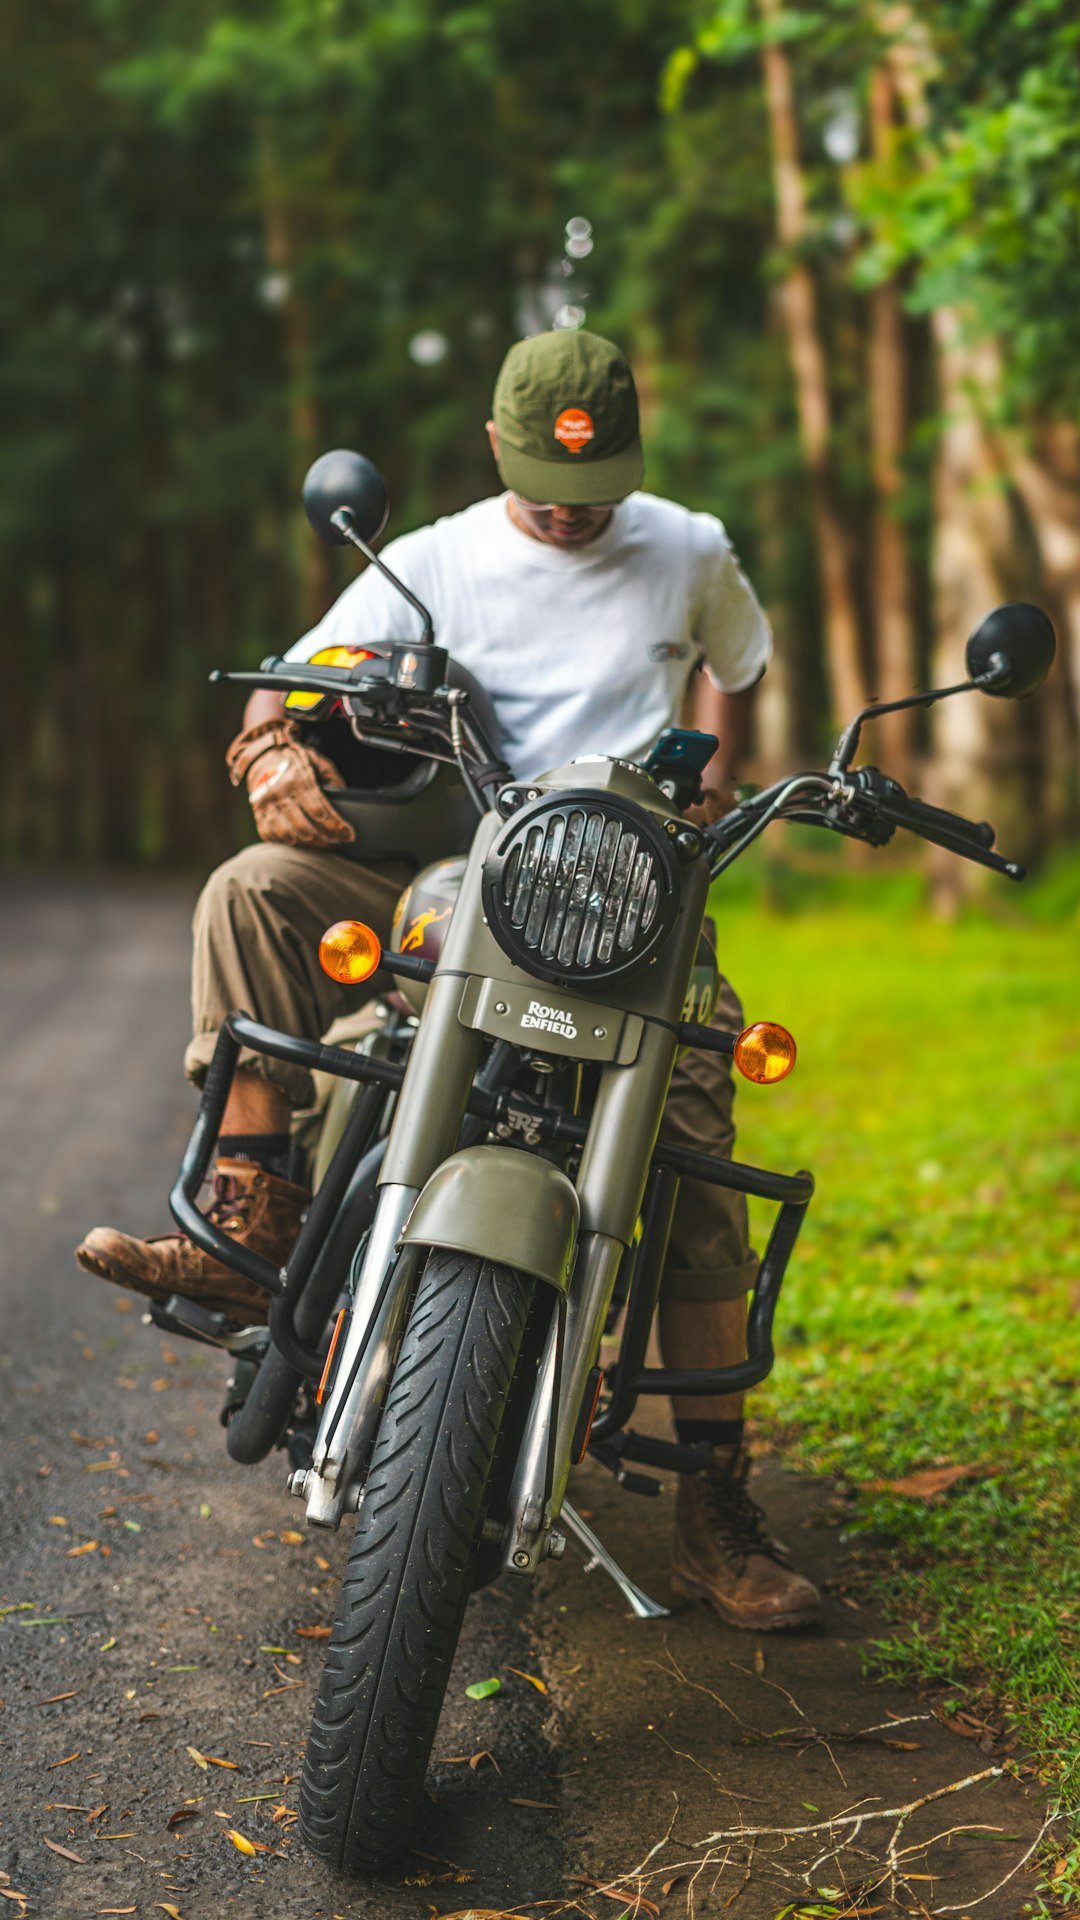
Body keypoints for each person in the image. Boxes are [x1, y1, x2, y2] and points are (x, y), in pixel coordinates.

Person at [77, 328, 821, 1632]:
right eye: (544, 483)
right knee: (250, 888)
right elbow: (280, 692)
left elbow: (742, 668)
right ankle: (253, 1223)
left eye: (594, 488)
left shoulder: (690, 548)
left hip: (633, 903)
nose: (570, 510)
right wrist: (269, 756)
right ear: (494, 446)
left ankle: (714, 1503)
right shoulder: (429, 560)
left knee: (697, 1148)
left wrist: (708, 790)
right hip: (452, 879)